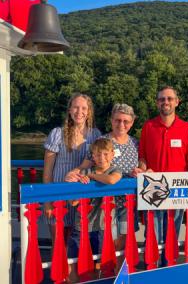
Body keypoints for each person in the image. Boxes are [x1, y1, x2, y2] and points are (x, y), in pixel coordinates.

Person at [132, 86, 188, 265]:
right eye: (162, 99)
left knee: (171, 236)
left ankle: (167, 272)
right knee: (153, 237)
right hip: (152, 191)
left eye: (170, 98)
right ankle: (152, 273)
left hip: (176, 193)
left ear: (177, 102)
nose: (166, 102)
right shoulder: (148, 126)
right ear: (157, 103)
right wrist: (142, 168)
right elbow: (143, 159)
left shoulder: (187, 129)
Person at [65, 103, 138, 251]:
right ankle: (105, 274)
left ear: (132, 123)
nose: (121, 124)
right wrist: (72, 174)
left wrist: (142, 170)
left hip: (126, 204)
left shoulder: (136, 143)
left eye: (126, 121)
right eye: (117, 120)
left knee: (122, 246)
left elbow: (143, 165)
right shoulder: (101, 141)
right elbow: (84, 166)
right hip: (103, 206)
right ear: (111, 120)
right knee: (105, 248)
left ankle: (118, 274)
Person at [43, 93, 101, 244]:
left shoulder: (96, 135)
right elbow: (48, 171)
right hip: (59, 195)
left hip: (82, 197)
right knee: (58, 244)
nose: (79, 111)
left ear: (89, 112)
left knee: (78, 246)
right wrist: (48, 202)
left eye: (83, 108)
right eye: (75, 107)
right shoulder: (57, 133)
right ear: (69, 110)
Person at [67, 138, 122, 282]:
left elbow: (111, 180)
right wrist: (76, 180)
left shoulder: (114, 170)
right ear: (92, 156)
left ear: (112, 155)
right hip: (81, 226)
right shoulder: (84, 171)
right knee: (74, 261)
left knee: (100, 263)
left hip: (102, 226)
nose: (101, 158)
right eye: (97, 155)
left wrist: (91, 177)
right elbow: (73, 202)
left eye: (105, 154)